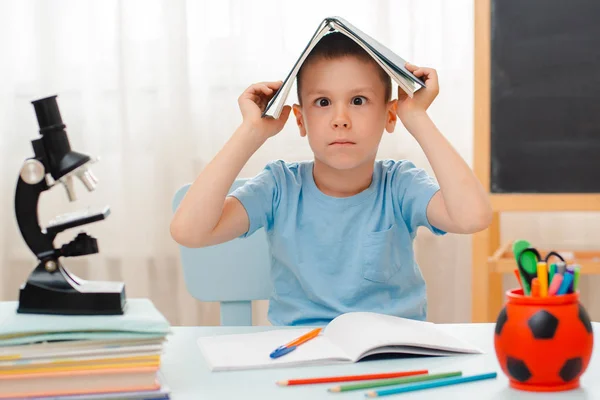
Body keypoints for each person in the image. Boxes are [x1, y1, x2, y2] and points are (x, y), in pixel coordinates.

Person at [170, 32, 492, 326]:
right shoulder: (279, 187)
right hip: (300, 353)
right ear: (301, 119)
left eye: (358, 101)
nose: (340, 120)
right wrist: (251, 131)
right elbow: (189, 231)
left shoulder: (400, 185)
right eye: (322, 103)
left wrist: (417, 117)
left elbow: (473, 217)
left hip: (391, 356)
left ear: (390, 115)